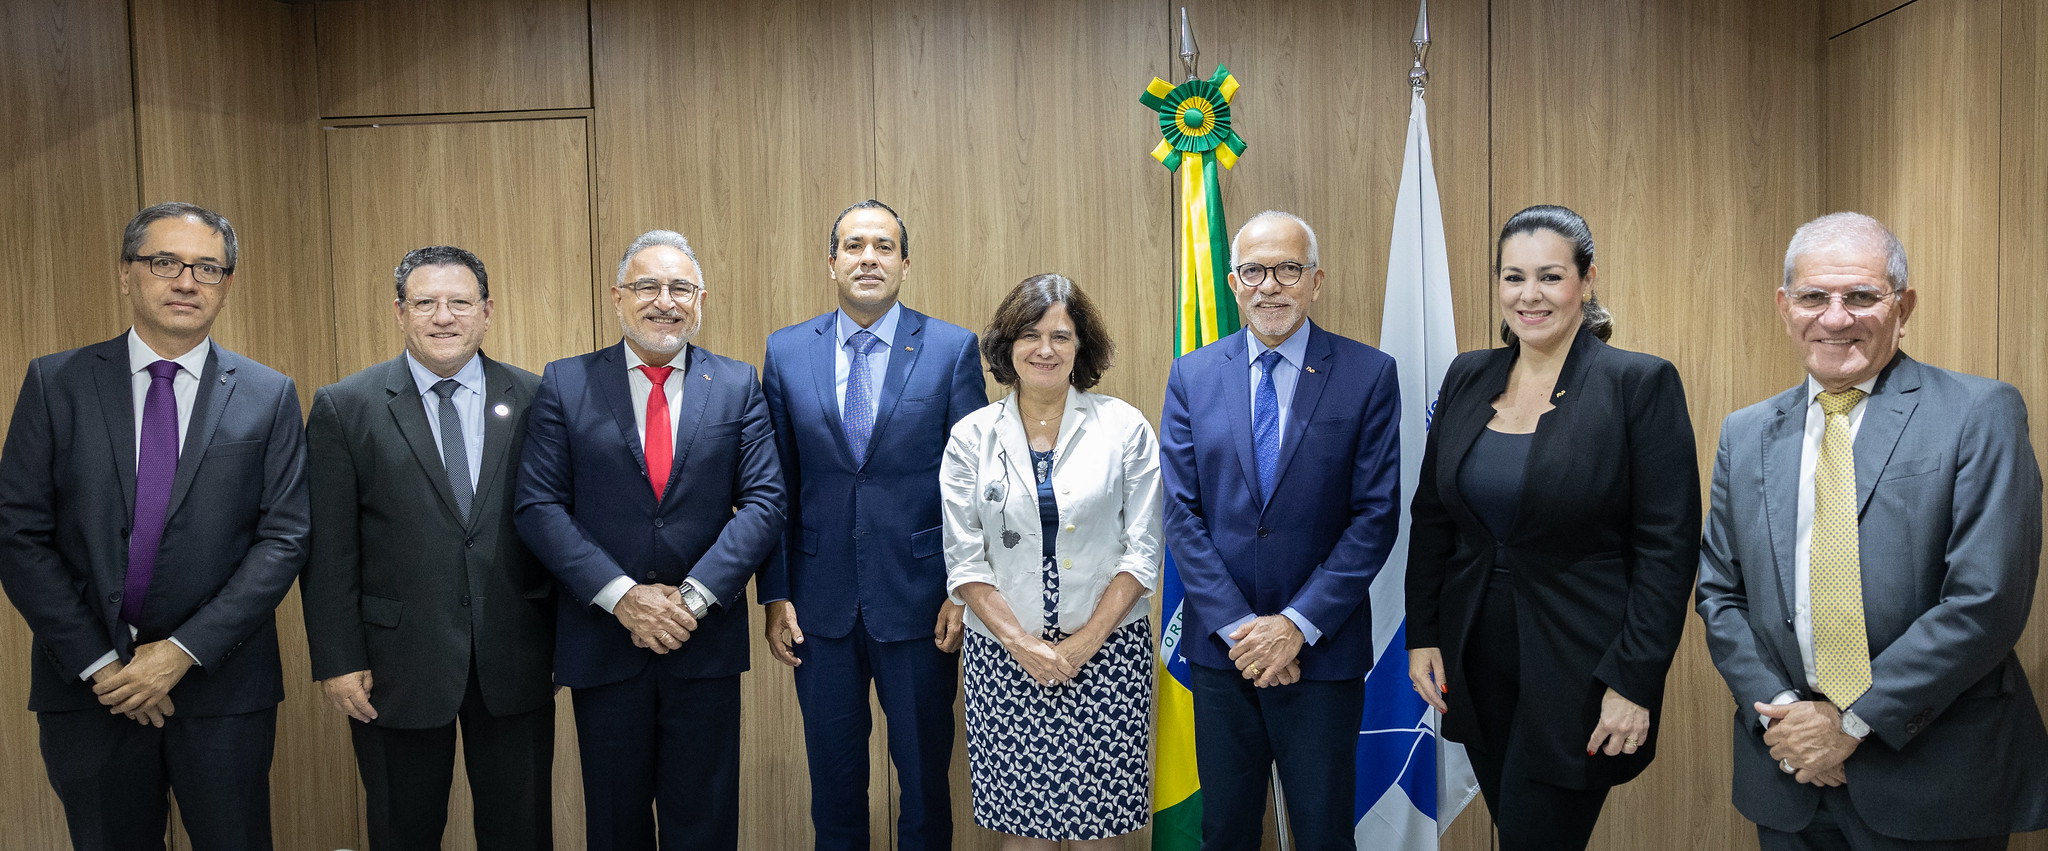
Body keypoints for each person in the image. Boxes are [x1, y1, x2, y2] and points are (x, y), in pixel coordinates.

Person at [1697, 212, 2048, 850]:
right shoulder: (1745, 433)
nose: (1835, 318)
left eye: (1861, 296)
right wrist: (1789, 718)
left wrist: (1850, 722)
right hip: (1787, 775)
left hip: (1932, 776)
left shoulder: (1978, 413)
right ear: (1785, 306)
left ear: (1902, 305)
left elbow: (1986, 599)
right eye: (1814, 297)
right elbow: (1720, 593)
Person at [0, 202, 309, 849]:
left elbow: (283, 539)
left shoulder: (268, 393)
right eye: (165, 261)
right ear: (126, 273)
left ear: (226, 283)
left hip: (221, 685)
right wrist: (103, 665)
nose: (186, 280)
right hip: (90, 690)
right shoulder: (57, 383)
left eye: (207, 267)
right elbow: (16, 529)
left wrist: (179, 652)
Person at [1404, 205, 1699, 849]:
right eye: (1513, 278)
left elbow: (1667, 552)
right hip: (1474, 662)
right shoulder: (1468, 375)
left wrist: (1635, 681)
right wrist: (1423, 633)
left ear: (1586, 281)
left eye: (1549, 276)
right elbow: (1432, 515)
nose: (1528, 296)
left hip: (1580, 670)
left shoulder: (1637, 383)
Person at [514, 230, 783, 851]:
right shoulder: (566, 382)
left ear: (701, 299)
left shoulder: (738, 385)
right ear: (617, 297)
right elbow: (538, 506)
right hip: (603, 640)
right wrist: (621, 595)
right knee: (614, 824)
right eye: (647, 286)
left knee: (706, 824)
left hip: (703, 642)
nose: (664, 301)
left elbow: (766, 503)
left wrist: (692, 598)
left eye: (680, 288)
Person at [300, 245, 555, 850]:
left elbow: (558, 527)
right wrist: (336, 659)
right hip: (394, 664)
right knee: (401, 830)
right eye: (426, 303)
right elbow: (329, 550)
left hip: (514, 652)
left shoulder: (538, 398)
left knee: (520, 829)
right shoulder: (346, 406)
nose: (444, 317)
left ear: (487, 311)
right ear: (399, 312)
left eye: (460, 302)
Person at [1159, 210, 1399, 850]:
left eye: (1288, 269)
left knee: (1323, 835)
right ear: (1235, 282)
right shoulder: (1192, 375)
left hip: (1321, 659)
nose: (1271, 285)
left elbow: (1375, 517)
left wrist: (1293, 628)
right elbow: (1181, 516)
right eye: (1255, 271)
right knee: (1227, 834)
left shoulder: (1368, 374)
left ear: (1315, 281)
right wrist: (1246, 634)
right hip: (1222, 658)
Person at [758, 200, 985, 850]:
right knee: (833, 788)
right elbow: (775, 485)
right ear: (831, 261)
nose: (868, 258)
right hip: (817, 608)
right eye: (854, 246)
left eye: (884, 247)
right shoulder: (786, 350)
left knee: (924, 787)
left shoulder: (949, 348)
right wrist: (775, 592)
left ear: (905, 264)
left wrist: (963, 588)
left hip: (921, 605)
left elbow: (975, 484)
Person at [941, 274, 1161, 849]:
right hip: (1005, 660)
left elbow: (1142, 550)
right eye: (1030, 334)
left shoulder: (1125, 427)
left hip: (1109, 657)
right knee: (1023, 835)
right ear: (1007, 346)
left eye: (1061, 336)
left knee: (1102, 833)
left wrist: (1085, 641)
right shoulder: (972, 437)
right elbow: (965, 562)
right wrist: (1022, 645)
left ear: (1081, 346)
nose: (1045, 349)